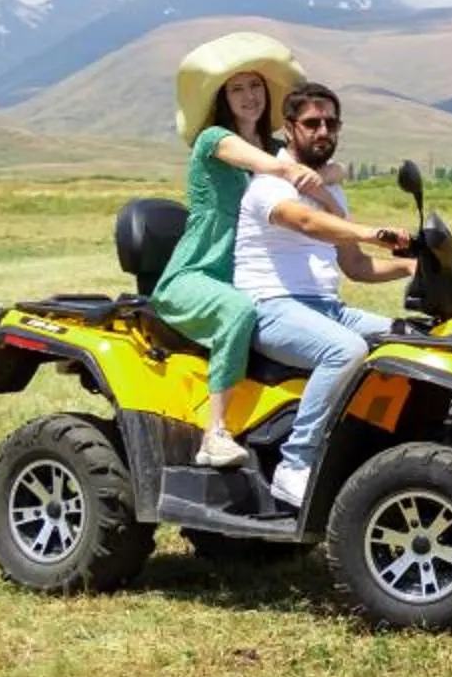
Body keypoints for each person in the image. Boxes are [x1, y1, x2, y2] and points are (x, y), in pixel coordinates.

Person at [154, 32, 333, 469]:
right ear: (223, 98)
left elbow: (321, 166)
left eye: (255, 87)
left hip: (246, 274)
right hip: (196, 275)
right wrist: (299, 171)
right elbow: (271, 165)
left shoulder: (276, 147)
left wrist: (325, 173)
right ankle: (214, 434)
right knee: (236, 312)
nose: (249, 96)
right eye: (238, 89)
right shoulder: (214, 140)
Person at [235, 81, 411, 510]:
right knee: (345, 352)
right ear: (289, 128)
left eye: (330, 123)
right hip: (270, 306)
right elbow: (307, 225)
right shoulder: (269, 183)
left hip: (327, 308)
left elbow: (355, 266)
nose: (322, 131)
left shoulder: (331, 192)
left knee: (409, 340)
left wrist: (412, 267)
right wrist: (372, 232)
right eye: (311, 123)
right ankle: (296, 464)